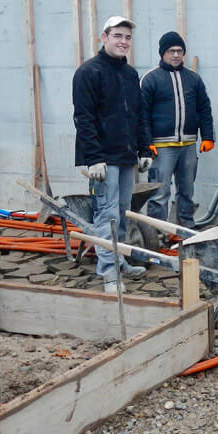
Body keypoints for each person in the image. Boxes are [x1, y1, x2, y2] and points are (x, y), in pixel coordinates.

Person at [72, 16, 153, 292]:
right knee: (107, 215)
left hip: (126, 155)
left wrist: (143, 148)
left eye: (128, 37)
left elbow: (138, 115)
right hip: (103, 159)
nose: (123, 42)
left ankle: (119, 262)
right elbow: (84, 118)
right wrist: (93, 157)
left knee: (121, 212)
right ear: (104, 37)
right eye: (118, 36)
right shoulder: (89, 73)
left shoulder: (130, 74)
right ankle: (108, 273)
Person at [140, 31, 214, 230]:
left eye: (179, 51)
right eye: (171, 51)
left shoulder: (193, 78)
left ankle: (185, 228)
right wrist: (146, 144)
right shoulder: (150, 79)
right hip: (161, 148)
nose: (176, 55)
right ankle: (157, 231)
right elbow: (142, 115)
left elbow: (204, 108)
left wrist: (207, 136)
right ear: (162, 53)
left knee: (187, 190)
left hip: (188, 145)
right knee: (159, 193)